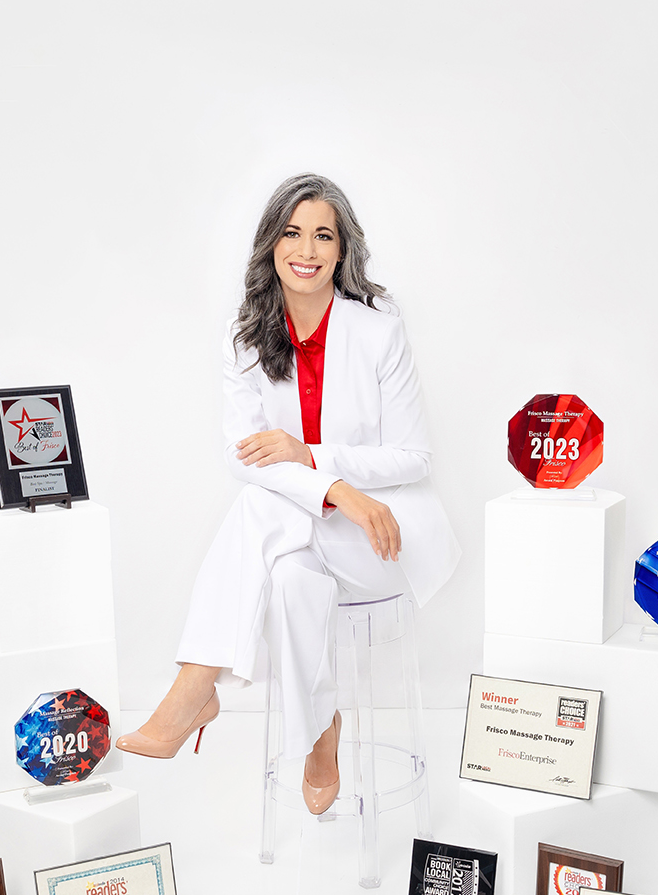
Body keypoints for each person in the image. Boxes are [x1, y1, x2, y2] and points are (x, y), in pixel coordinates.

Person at [116, 174, 460, 814]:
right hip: (308, 526)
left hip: (382, 533)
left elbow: (414, 458)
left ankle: (195, 688)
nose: (306, 249)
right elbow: (244, 455)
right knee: (292, 581)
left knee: (260, 508)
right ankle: (321, 734)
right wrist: (335, 490)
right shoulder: (246, 335)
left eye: (323, 235)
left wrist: (318, 462)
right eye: (292, 233)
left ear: (341, 250)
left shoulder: (379, 330)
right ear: (271, 245)